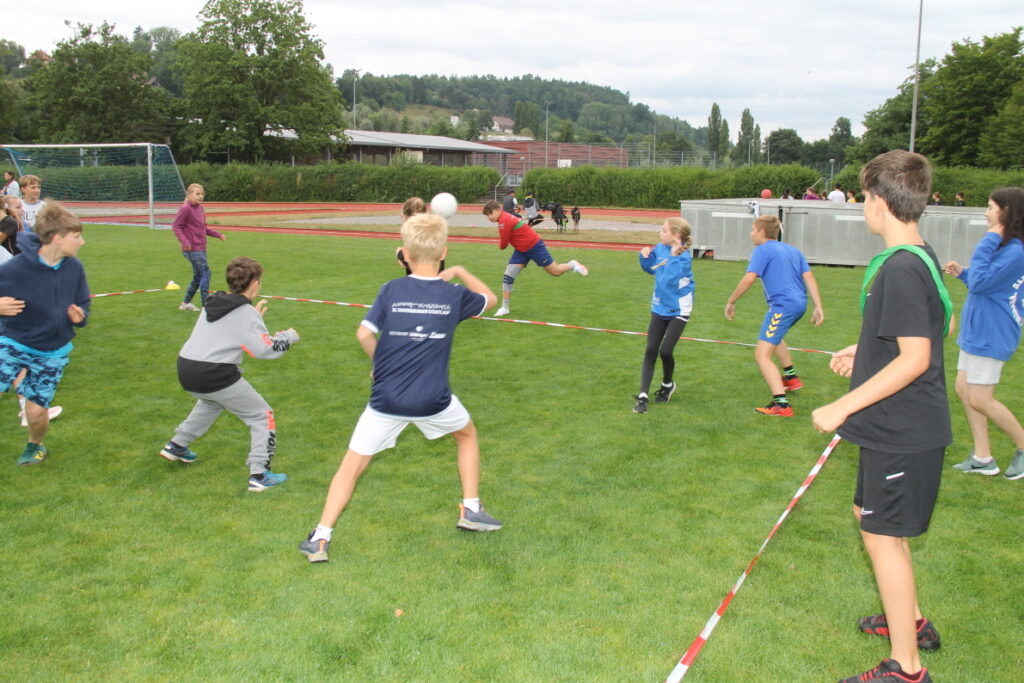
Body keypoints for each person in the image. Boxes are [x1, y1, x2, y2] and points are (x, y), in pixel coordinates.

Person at [812, 150, 950, 683]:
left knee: (883, 536)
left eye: (864, 198)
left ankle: (906, 668)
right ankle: (911, 623)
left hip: (903, 429)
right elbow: (937, 326)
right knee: (867, 517)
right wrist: (866, 348)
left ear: (879, 202)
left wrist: (841, 405)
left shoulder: (902, 268)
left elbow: (916, 358)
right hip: (893, 426)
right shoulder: (919, 255)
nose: (863, 207)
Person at [299, 213, 501, 563]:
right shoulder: (453, 294)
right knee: (467, 435)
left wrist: (380, 365)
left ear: (405, 254)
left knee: (352, 465)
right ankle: (471, 508)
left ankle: (321, 537)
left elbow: (364, 334)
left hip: (386, 399)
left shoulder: (390, 289)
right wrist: (458, 271)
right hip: (433, 400)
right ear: (443, 252)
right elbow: (490, 299)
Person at [159, 256, 299, 492]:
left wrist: (255, 320)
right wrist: (289, 338)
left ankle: (177, 445)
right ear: (254, 283)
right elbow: (264, 350)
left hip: (186, 368)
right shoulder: (245, 313)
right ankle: (259, 474)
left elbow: (229, 331)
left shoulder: (213, 302)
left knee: (212, 402)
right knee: (261, 415)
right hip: (214, 373)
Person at [943, 187, 1024, 479]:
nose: (986, 212)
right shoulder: (1008, 247)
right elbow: (986, 283)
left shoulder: (1015, 250)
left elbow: (981, 283)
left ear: (1006, 211)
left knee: (980, 398)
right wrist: (963, 274)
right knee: (964, 390)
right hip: (978, 331)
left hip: (993, 333)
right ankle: (983, 457)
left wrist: (990, 237)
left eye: (990, 207)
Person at [0, 202, 89, 465]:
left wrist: (80, 316)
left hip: (53, 351)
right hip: (13, 342)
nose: (82, 242)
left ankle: (35, 446)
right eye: (76, 236)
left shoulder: (75, 268)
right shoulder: (15, 268)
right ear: (57, 238)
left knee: (37, 412)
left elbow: (83, 303)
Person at [724, 215, 824, 416]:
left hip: (783, 307)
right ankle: (791, 378)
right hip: (798, 305)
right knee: (774, 337)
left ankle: (781, 405)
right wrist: (817, 305)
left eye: (753, 230)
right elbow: (809, 276)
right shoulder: (792, 250)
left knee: (762, 355)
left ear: (761, 232)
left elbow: (749, 278)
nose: (751, 234)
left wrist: (731, 301)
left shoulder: (762, 250)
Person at [481, 200, 589, 317]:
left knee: (556, 271)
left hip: (534, 246)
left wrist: (501, 242)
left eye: (490, 213)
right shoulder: (504, 218)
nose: (489, 217)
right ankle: (504, 308)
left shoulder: (503, 221)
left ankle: (572, 265)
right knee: (508, 277)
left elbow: (503, 245)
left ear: (498, 210)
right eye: (487, 215)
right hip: (521, 250)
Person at [633, 218, 694, 414]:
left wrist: (673, 255)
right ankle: (643, 395)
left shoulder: (684, 257)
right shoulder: (660, 248)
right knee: (651, 349)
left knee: (665, 351)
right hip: (659, 306)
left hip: (679, 308)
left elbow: (669, 279)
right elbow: (650, 269)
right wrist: (644, 257)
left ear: (676, 235)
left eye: (664, 230)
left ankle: (668, 384)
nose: (660, 233)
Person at [172, 183, 225, 312]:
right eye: (197, 194)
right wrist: (185, 242)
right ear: (189, 195)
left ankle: (185, 303)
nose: (200, 196)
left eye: (202, 194)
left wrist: (218, 234)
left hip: (201, 248)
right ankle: (205, 305)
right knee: (206, 273)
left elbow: (203, 227)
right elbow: (176, 227)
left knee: (198, 276)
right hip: (192, 249)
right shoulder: (186, 208)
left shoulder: (200, 208)